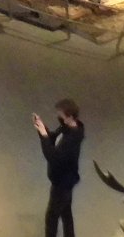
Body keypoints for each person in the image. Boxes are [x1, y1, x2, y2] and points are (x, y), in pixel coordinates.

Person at [34, 98, 84, 237]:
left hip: (62, 183)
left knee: (51, 216)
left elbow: (53, 157)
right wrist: (42, 129)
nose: (59, 118)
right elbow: (53, 138)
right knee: (66, 212)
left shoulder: (72, 139)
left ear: (70, 117)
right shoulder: (67, 128)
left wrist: (44, 136)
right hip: (65, 181)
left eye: (61, 115)